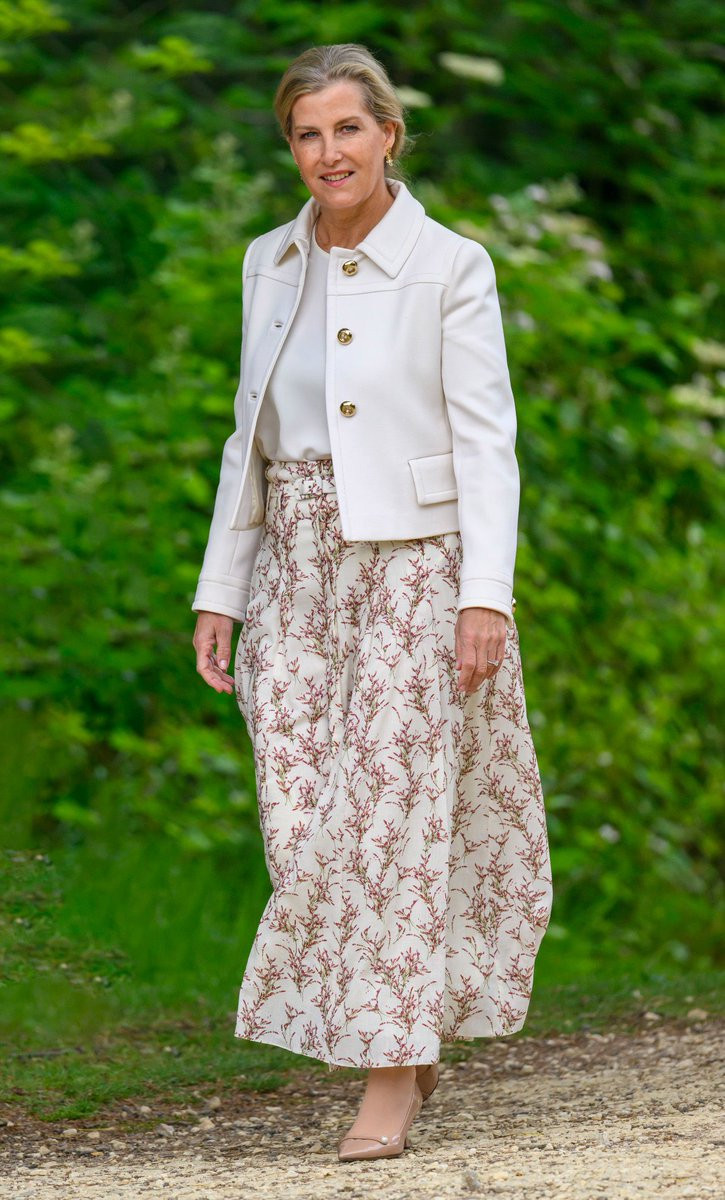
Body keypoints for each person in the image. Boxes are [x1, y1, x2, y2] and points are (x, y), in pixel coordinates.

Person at [191, 42, 552, 1164]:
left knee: (389, 819)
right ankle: (405, 1020)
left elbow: (487, 445)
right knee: (301, 818)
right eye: (306, 134)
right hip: (293, 569)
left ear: (389, 134)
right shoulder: (267, 260)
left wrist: (483, 597)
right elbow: (247, 438)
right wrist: (219, 590)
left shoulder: (450, 265)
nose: (327, 152)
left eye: (347, 128)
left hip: (412, 567)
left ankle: (389, 1074)